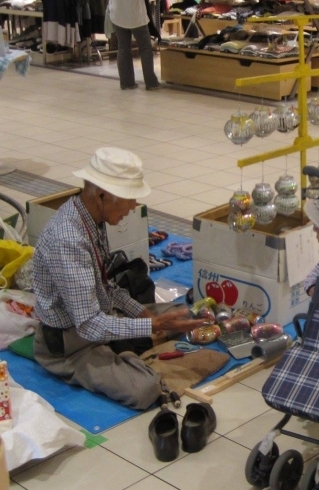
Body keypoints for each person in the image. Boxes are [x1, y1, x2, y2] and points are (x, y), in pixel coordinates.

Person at [32, 147, 205, 410]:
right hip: (73, 345)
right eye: (130, 199)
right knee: (145, 388)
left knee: (181, 314)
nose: (134, 207)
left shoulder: (92, 216)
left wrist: (145, 316)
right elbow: (88, 325)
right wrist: (150, 325)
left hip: (100, 319)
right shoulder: (68, 239)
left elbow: (107, 287)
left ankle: (127, 348)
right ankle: (126, 354)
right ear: (104, 195)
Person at [108, 0, 161, 90]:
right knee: (145, 48)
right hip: (136, 15)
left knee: (123, 48)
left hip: (118, 14)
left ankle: (127, 83)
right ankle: (151, 82)